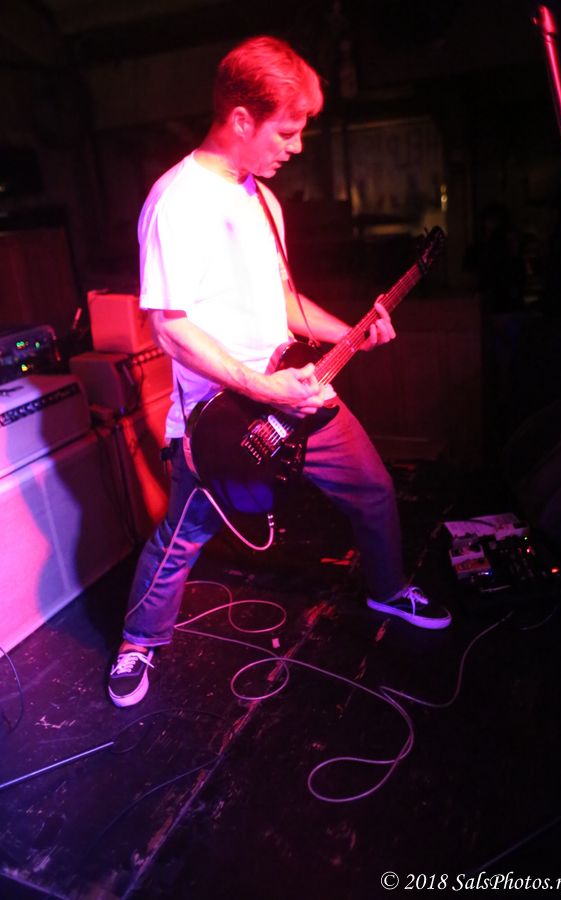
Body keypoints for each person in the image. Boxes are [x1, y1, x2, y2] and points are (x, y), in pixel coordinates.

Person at [108, 36, 451, 708]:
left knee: (374, 489)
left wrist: (350, 331)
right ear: (241, 119)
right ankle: (137, 641)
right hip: (221, 416)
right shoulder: (176, 201)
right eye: (286, 131)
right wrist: (262, 387)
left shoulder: (262, 199)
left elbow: (282, 304)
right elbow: (169, 328)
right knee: (183, 536)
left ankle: (386, 591)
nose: (296, 146)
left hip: (290, 387)